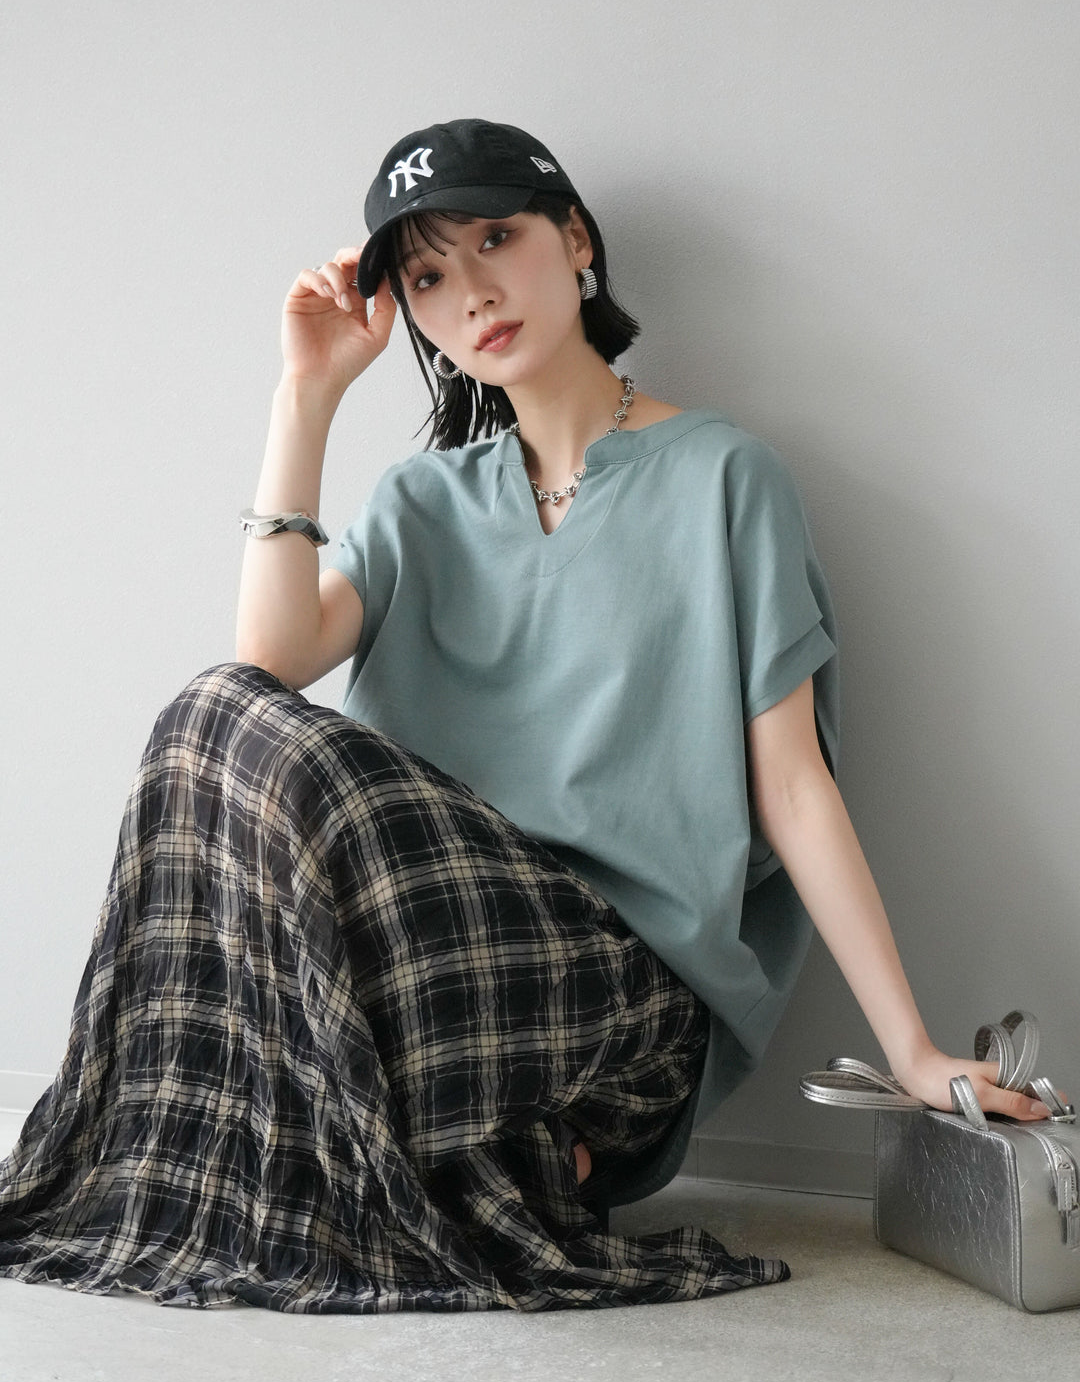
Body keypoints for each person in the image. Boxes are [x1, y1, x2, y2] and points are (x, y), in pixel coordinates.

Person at [0, 119, 1050, 1315]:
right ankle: (486, 1164)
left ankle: (505, 1149)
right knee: (209, 717)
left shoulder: (724, 476)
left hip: (618, 992)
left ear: (577, 240)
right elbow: (268, 666)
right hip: (431, 971)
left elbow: (795, 787)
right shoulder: (423, 502)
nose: (472, 295)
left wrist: (911, 1050)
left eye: (497, 239)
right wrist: (306, 398)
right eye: (428, 277)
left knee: (240, 731)